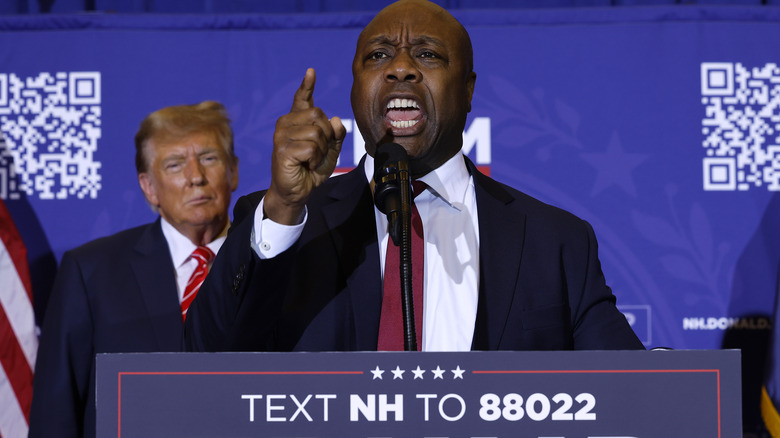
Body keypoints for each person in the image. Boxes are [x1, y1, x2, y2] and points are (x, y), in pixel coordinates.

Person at [185, 0, 642, 353]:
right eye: (379, 55)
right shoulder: (286, 221)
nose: (400, 68)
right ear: (354, 87)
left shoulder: (555, 240)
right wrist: (284, 208)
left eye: (427, 54)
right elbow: (205, 362)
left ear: (468, 90)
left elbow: (630, 396)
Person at [28, 101, 239, 438]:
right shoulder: (92, 272)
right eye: (174, 164)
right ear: (149, 187)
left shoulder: (268, 261)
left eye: (209, 158)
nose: (195, 177)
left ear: (233, 173)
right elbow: (56, 413)